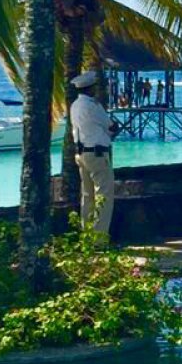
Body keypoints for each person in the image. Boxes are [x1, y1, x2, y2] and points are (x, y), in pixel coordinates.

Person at [69, 70, 116, 238]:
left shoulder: (74, 106)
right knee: (103, 195)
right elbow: (109, 125)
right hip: (97, 153)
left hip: (81, 153)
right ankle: (99, 238)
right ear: (90, 88)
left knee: (87, 195)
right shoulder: (93, 106)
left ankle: (87, 234)